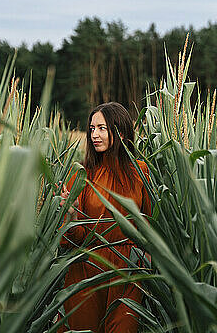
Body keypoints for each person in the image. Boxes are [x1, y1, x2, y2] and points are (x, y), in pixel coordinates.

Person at [57, 102, 151, 333]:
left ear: (119, 131)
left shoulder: (141, 171)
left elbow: (150, 225)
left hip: (128, 270)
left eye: (102, 128)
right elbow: (74, 238)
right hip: (88, 270)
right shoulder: (82, 175)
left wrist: (145, 265)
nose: (94, 135)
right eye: (91, 129)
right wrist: (71, 215)